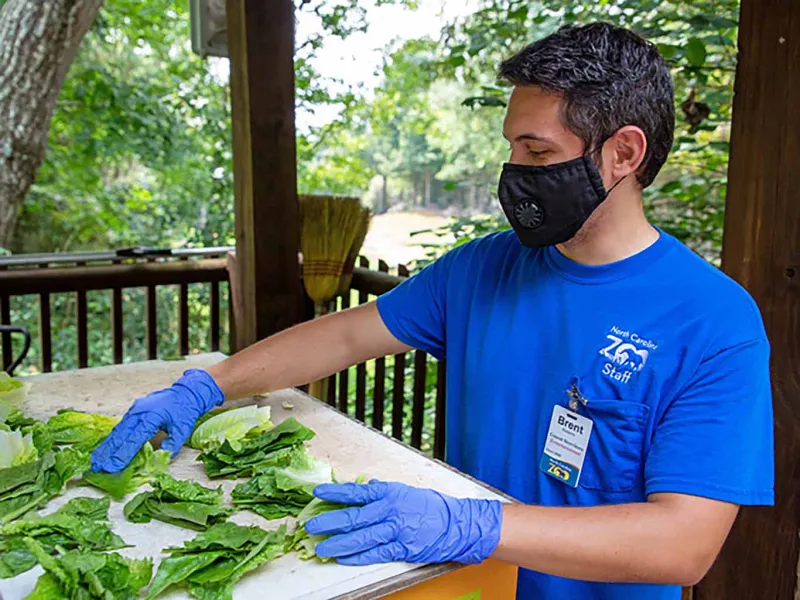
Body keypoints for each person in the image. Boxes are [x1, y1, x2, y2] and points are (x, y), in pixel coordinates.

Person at [91, 22, 774, 600]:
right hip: (463, 587)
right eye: (511, 146)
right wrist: (206, 385)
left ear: (624, 152)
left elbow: (683, 544)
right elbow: (343, 334)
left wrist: (473, 524)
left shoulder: (714, 323)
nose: (514, 171)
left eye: (537, 151)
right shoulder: (485, 267)